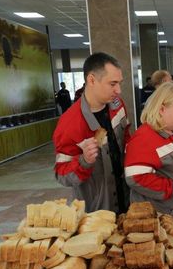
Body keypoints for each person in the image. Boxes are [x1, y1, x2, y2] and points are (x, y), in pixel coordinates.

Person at [53, 52, 131, 213]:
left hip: (128, 198)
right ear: (91, 80)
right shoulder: (69, 123)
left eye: (119, 83)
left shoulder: (118, 105)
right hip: (97, 211)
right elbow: (62, 176)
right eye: (112, 84)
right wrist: (84, 161)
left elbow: (127, 138)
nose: (119, 90)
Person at [124, 82, 173, 225]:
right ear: (161, 109)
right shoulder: (143, 139)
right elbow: (135, 179)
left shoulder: (170, 133)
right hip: (165, 222)